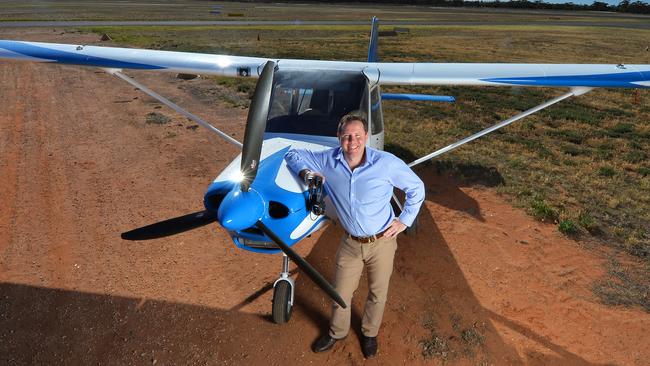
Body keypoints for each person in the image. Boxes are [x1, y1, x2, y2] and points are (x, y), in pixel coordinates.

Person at [284, 113, 425, 358]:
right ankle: (337, 332)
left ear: (366, 137)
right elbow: (292, 154)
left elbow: (416, 188)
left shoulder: (386, 163)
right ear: (339, 137)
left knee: (377, 292)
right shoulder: (328, 160)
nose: (353, 141)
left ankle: (369, 333)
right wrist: (307, 173)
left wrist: (404, 220)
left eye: (358, 136)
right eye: (347, 136)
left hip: (382, 242)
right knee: (340, 292)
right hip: (350, 243)